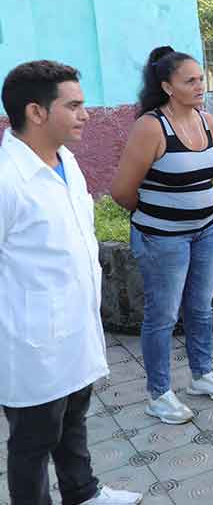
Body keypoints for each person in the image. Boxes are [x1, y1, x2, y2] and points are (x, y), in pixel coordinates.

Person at [0, 61, 143, 505]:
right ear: (36, 112)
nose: (86, 114)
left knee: (74, 418)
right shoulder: (7, 180)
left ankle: (83, 492)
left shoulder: (67, 161)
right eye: (74, 105)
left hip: (76, 324)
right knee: (33, 441)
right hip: (31, 337)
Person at [111, 47, 213, 425]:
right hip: (162, 239)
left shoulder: (208, 121)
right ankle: (159, 394)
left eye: (201, 79)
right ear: (167, 86)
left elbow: (208, 175)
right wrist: (155, 217)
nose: (200, 86)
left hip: (208, 231)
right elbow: (122, 191)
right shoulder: (151, 127)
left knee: (200, 308)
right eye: (190, 81)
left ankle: (201, 375)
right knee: (162, 316)